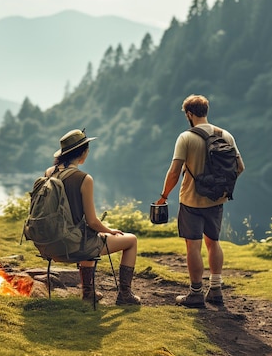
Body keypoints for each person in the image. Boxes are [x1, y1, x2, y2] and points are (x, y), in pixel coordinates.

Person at [155, 95, 244, 308]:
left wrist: (164, 196)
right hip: (216, 201)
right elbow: (240, 168)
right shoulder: (226, 135)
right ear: (206, 110)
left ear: (189, 114)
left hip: (191, 201)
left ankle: (195, 294)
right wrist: (219, 187)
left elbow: (175, 172)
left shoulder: (186, 137)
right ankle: (216, 290)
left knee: (193, 246)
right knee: (214, 242)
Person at [45, 129, 141, 306]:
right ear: (83, 152)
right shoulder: (84, 179)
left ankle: (88, 293)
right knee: (131, 240)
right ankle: (125, 295)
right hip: (72, 246)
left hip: (49, 244)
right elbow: (93, 221)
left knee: (87, 235)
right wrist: (110, 230)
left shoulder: (49, 173)